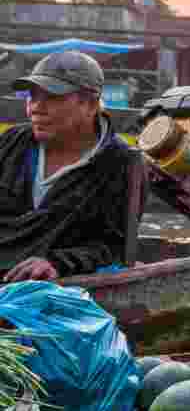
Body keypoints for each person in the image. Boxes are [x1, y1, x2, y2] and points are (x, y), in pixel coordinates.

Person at [0, 51, 146, 281]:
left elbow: (116, 249)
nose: (36, 108)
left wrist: (56, 263)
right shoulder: (11, 143)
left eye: (52, 97)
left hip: (42, 287)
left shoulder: (121, 163)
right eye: (33, 96)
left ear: (90, 105)